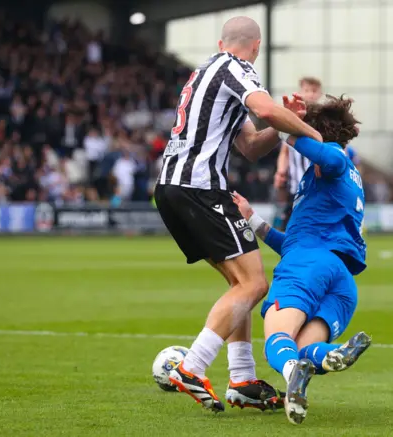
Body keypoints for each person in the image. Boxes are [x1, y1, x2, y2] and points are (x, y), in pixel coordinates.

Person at [155, 16, 322, 413]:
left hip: (173, 188)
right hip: (200, 189)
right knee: (254, 283)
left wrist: (283, 127)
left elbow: (249, 144)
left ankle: (243, 379)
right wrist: (311, 132)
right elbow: (264, 107)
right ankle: (192, 367)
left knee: (241, 283)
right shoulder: (235, 66)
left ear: (220, 40)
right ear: (256, 46)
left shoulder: (204, 73)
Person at [234, 95, 371, 425]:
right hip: (339, 279)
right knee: (304, 351)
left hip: (308, 267)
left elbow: (330, 157)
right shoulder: (350, 181)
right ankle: (331, 354)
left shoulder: (335, 162)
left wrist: (286, 127)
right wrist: (253, 219)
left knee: (277, 341)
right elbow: (294, 244)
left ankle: (294, 373)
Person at [274, 77, 324, 230]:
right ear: (300, 92)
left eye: (314, 91)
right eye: (307, 90)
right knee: (290, 229)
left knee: (318, 228)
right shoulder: (292, 119)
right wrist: (280, 171)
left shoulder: (324, 120)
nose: (310, 95)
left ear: (320, 94)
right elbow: (285, 151)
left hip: (319, 185)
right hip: (295, 187)